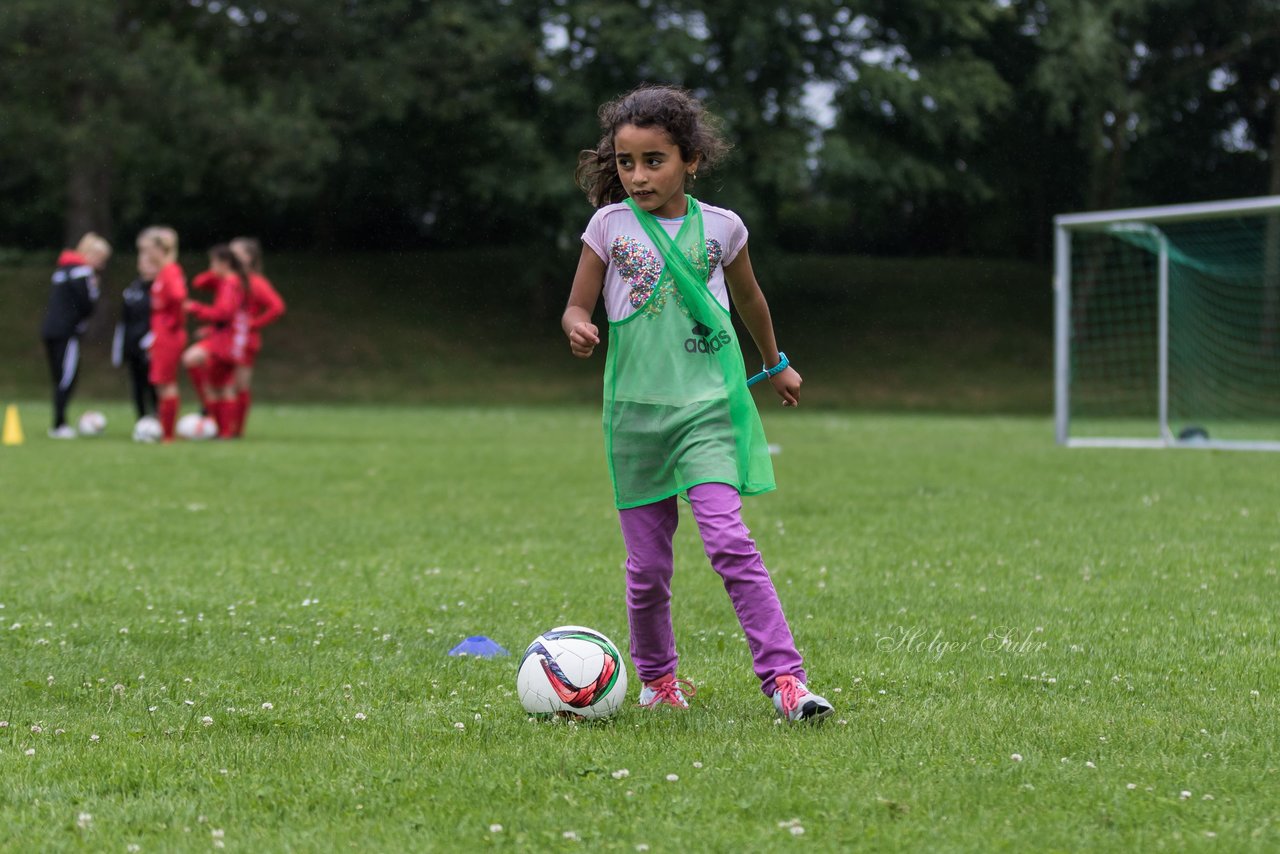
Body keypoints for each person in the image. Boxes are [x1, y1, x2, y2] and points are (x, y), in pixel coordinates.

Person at [562, 85, 833, 723]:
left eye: (654, 160)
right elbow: (578, 301)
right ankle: (658, 681)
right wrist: (577, 324)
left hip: (707, 408)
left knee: (730, 542)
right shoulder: (607, 227)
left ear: (690, 159)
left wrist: (776, 364)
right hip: (635, 417)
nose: (638, 176)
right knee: (648, 568)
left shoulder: (723, 227)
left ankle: (786, 682)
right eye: (626, 163)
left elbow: (752, 301)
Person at [40, 232, 111, 438]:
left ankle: (59, 422)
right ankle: (59, 424)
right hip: (66, 332)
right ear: (91, 254)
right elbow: (86, 305)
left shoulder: (62, 270)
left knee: (58, 378)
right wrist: (94, 290)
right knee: (66, 378)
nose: (102, 265)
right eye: (101, 259)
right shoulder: (83, 272)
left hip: (49, 330)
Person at [182, 245, 252, 438]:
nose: (211, 267)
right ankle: (224, 431)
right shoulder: (233, 281)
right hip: (230, 341)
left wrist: (195, 308)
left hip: (224, 342)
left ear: (224, 263)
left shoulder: (230, 283)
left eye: (213, 262)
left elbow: (224, 313)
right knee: (221, 386)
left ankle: (222, 431)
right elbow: (199, 282)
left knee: (216, 387)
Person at [228, 237, 285, 436]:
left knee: (239, 385)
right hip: (227, 339)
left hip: (244, 341)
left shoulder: (255, 282)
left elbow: (277, 307)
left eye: (236, 252)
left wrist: (252, 325)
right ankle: (223, 425)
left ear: (249, 257)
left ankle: (236, 430)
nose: (230, 256)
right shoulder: (230, 280)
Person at [137, 226, 186, 442]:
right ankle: (165, 432)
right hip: (161, 333)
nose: (146, 256)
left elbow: (178, 296)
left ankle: (168, 434)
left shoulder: (170, 271)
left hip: (168, 334)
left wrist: (171, 322)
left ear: (159, 250)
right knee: (160, 382)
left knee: (166, 382)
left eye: (149, 251)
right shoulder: (163, 272)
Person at [112, 250, 158, 422]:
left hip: (152, 344)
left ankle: (158, 418)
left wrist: (152, 339)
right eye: (144, 263)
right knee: (137, 385)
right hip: (133, 345)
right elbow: (124, 322)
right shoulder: (131, 290)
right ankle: (142, 419)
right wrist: (120, 349)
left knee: (154, 383)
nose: (147, 268)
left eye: (151, 264)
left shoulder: (160, 288)